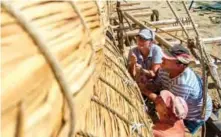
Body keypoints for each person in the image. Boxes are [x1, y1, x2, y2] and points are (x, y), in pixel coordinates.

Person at [142, 44, 213, 134]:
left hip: (193, 115)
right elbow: (158, 84)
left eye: (168, 59)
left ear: (180, 65)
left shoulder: (183, 83)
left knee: (178, 132)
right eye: (164, 56)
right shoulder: (165, 69)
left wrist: (145, 91)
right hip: (176, 102)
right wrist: (147, 84)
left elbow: (169, 107)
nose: (162, 59)